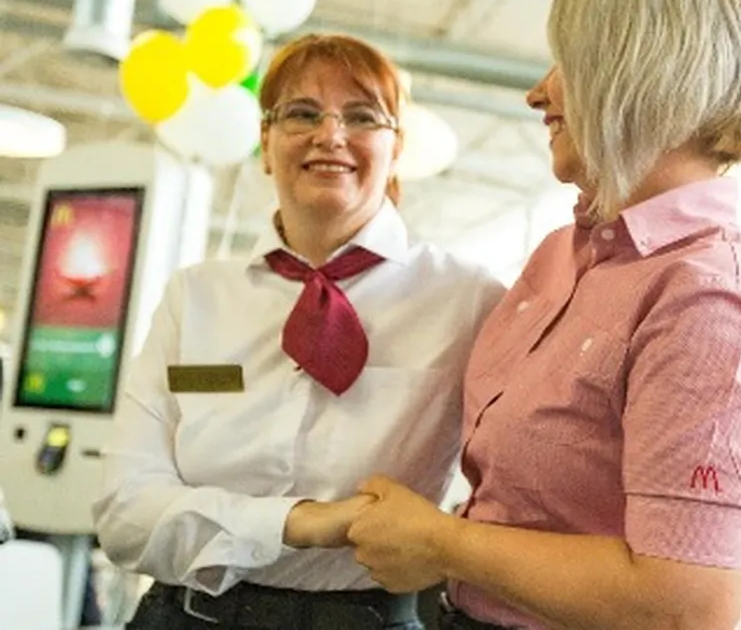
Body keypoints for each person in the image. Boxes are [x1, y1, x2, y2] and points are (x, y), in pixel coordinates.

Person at [342, 0, 741, 629]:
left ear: (643, 72)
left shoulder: (709, 300)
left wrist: (444, 543)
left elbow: (689, 606)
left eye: (566, 63)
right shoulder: (566, 255)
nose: (537, 93)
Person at [92, 33, 505, 630]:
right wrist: (302, 521)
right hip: (182, 616)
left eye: (362, 116)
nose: (330, 135)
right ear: (265, 143)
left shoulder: (469, 301)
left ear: (397, 149)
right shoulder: (196, 298)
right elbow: (125, 513)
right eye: (301, 113)